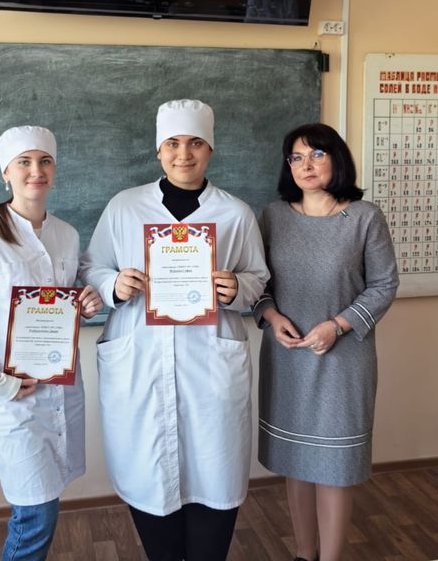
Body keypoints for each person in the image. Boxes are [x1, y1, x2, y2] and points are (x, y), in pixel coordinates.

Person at [79, 99, 269, 561]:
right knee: (148, 474)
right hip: (140, 360)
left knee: (214, 472)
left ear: (211, 150)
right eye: (173, 143)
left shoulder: (235, 213)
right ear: (158, 150)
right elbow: (91, 267)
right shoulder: (125, 207)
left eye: (195, 143)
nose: (184, 154)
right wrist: (114, 284)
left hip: (211, 363)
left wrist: (236, 287)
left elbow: (258, 278)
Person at [0, 125, 102, 561]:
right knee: (35, 514)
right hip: (12, 396)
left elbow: (68, 301)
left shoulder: (67, 234)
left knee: (40, 504)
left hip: (59, 386)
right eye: (25, 162)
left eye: (45, 161)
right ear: (6, 173)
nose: (36, 171)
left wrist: (86, 302)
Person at [253, 123, 399, 561]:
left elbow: (384, 285)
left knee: (335, 467)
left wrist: (337, 325)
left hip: (343, 359)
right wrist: (271, 316)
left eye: (317, 154)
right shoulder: (272, 217)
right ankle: (305, 553)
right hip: (287, 356)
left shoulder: (364, 217)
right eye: (296, 157)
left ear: (337, 159)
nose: (306, 165)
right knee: (295, 460)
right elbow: (257, 284)